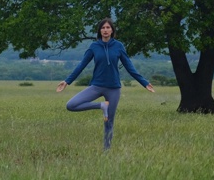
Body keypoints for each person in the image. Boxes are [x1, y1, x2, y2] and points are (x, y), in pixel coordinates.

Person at [56, 18, 155, 150]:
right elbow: (81, 65)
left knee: (109, 122)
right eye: (103, 28)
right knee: (71, 105)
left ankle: (106, 151)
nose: (105, 30)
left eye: (108, 27)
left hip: (113, 88)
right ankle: (102, 106)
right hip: (96, 86)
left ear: (112, 30)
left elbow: (129, 66)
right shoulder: (94, 47)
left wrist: (144, 82)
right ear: (99, 31)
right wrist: (67, 81)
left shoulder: (119, 46)